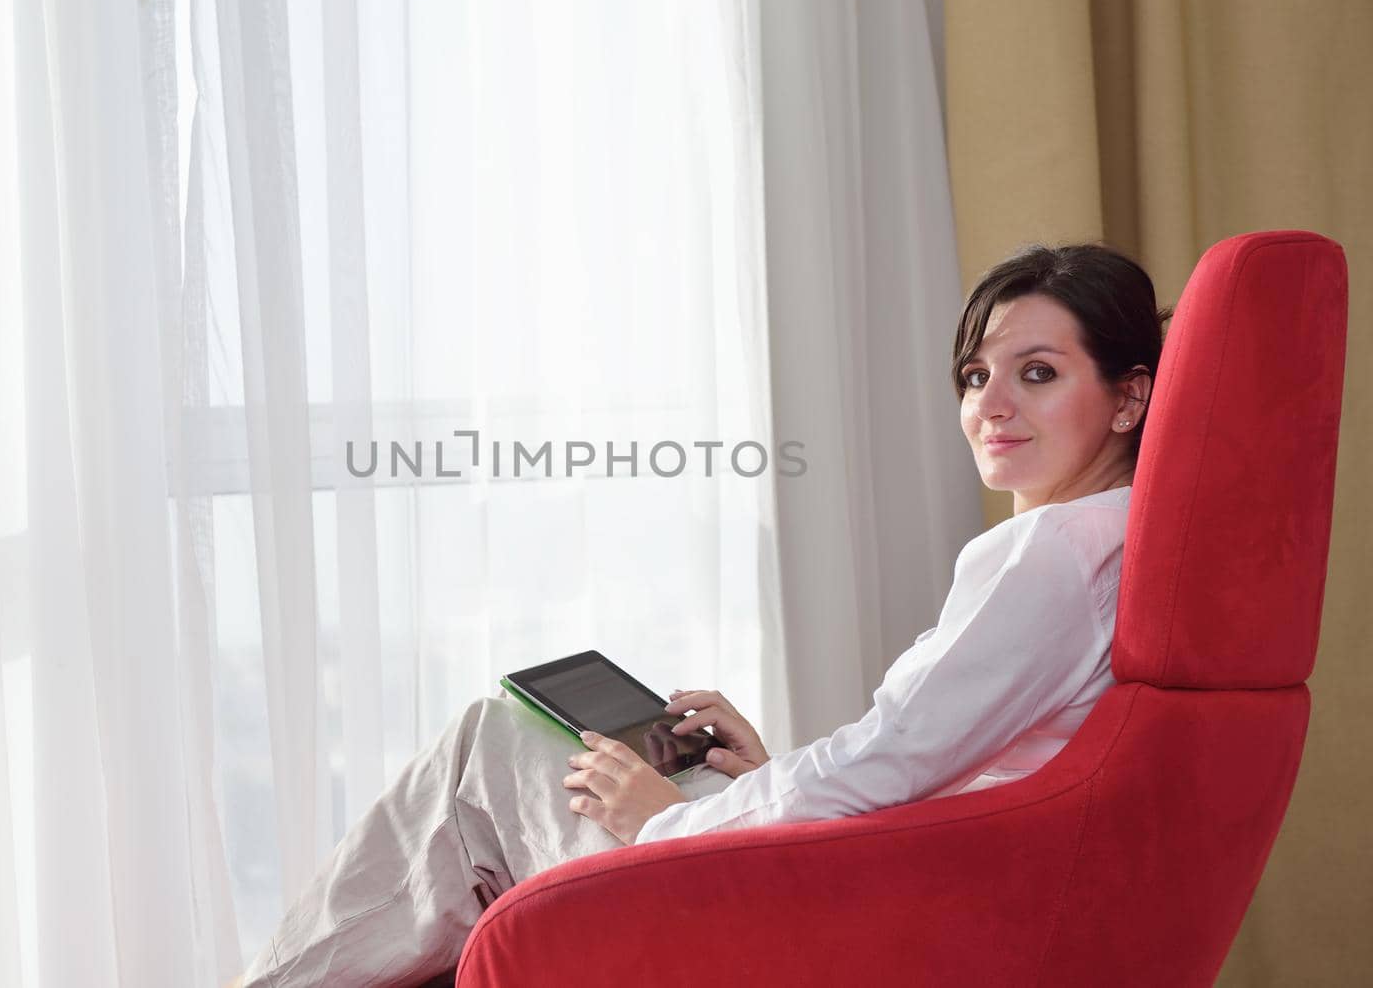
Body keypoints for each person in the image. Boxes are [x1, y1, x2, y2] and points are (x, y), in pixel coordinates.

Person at [229, 242, 1172, 987]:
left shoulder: (1046, 555)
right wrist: (765, 782)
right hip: (888, 876)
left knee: (493, 745)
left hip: (846, 913)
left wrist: (663, 826)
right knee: (534, 772)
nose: (989, 404)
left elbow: (891, 762)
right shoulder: (1119, 543)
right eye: (975, 376)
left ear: (1128, 396)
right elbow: (928, 764)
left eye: (1037, 373)